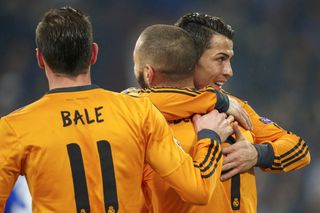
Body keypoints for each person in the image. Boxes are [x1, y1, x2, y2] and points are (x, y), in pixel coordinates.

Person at [0, 7, 235, 212]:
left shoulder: (14, 128)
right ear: (93, 53)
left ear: (41, 59)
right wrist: (209, 136)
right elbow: (198, 190)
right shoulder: (138, 112)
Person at [174, 12, 311, 212]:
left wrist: (256, 153)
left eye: (229, 59)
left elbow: (299, 150)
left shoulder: (234, 108)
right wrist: (215, 99)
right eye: (220, 59)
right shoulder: (148, 110)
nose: (229, 71)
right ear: (189, 58)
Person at [124, 24, 257, 213]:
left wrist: (211, 138)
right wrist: (259, 153)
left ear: (148, 74)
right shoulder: (236, 117)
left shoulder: (137, 124)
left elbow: (199, 189)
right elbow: (299, 150)